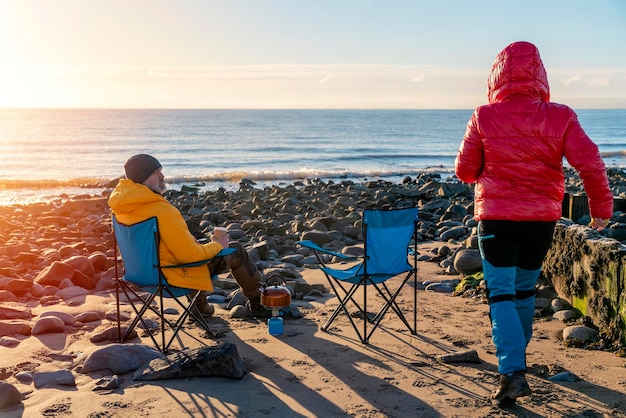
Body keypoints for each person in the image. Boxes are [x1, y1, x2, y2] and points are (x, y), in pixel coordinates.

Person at [455, 41, 613, 406]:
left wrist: (490, 165)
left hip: (496, 217)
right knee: (524, 290)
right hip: (541, 219)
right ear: (540, 74)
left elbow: (464, 171)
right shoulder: (561, 115)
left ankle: (511, 373)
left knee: (501, 294)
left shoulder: (484, 115)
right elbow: (590, 163)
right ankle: (517, 361)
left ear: (496, 76)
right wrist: (601, 208)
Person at [108, 153, 272, 318]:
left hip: (138, 276)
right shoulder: (162, 211)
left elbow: (154, 246)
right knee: (235, 251)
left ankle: (200, 307)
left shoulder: (119, 209)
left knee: (195, 243)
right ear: (142, 177)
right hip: (170, 278)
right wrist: (218, 245)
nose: (162, 176)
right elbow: (191, 257)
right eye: (156, 172)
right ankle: (259, 306)